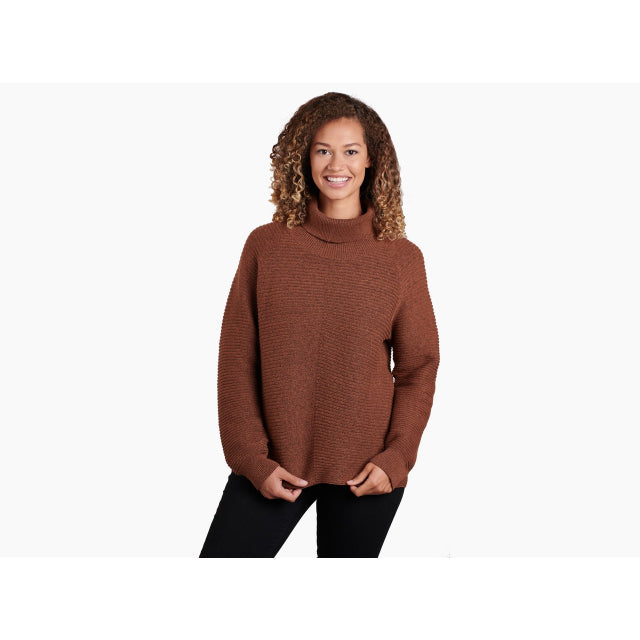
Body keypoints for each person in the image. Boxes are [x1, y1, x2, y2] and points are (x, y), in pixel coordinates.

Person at [199, 91, 440, 557]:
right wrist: (251, 458)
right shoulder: (267, 246)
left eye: (351, 151)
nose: (337, 164)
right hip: (272, 463)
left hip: (366, 474)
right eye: (323, 150)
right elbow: (237, 360)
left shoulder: (400, 259)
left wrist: (396, 459)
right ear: (304, 159)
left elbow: (418, 368)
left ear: (371, 160)